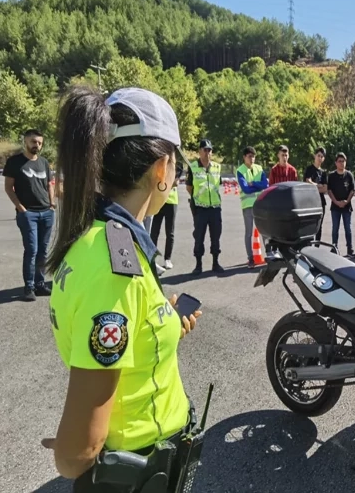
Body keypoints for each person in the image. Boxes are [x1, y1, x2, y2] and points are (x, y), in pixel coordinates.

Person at [41, 86, 202, 489]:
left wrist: (162, 316)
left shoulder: (95, 238)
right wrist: (71, 445)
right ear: (161, 170)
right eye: (175, 167)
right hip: (139, 472)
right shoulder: (117, 266)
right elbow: (77, 455)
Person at [3, 129, 56, 301]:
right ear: (25, 141)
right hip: (28, 214)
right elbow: (8, 188)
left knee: (43, 251)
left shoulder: (44, 162)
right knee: (32, 250)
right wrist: (21, 208)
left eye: (39, 143)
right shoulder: (15, 162)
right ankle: (29, 287)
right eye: (34, 142)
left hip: (46, 212)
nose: (37, 145)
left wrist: (52, 204)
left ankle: (40, 285)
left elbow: (49, 184)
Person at [187, 139, 223, 275]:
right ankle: (198, 264)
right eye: (205, 150)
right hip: (200, 208)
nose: (207, 153)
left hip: (215, 207)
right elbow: (189, 187)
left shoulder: (217, 167)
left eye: (209, 150)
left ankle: (216, 262)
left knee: (216, 236)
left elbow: (217, 185)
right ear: (199, 151)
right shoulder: (193, 167)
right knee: (199, 236)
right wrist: (198, 198)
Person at [237, 146, 269, 268]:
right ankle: (250, 258)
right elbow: (245, 189)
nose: (252, 159)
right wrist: (257, 186)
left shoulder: (259, 169)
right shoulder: (240, 170)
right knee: (249, 232)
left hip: (260, 204)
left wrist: (253, 184)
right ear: (244, 157)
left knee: (264, 231)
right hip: (248, 205)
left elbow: (265, 184)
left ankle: (269, 254)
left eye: (254, 156)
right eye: (250, 156)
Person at [150, 160, 184, 273]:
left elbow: (176, 182)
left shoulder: (177, 165)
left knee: (170, 232)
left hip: (171, 201)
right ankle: (152, 257)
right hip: (159, 200)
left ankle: (167, 258)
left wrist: (169, 181)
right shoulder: (160, 162)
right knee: (154, 231)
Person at [327, 152, 355, 258]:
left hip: (346, 207)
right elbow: (329, 190)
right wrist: (336, 202)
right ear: (336, 163)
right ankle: (334, 247)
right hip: (335, 207)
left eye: (343, 161)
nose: (341, 163)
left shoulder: (349, 175)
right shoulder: (331, 176)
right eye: (339, 161)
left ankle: (350, 249)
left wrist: (346, 201)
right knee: (335, 228)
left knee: (348, 229)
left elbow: (352, 190)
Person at [303, 147, 329, 244]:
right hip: (309, 202)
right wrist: (318, 185)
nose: (320, 158)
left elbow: (325, 189)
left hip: (320, 202)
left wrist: (314, 185)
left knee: (319, 225)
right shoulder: (309, 169)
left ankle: (317, 245)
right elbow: (307, 182)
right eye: (318, 155)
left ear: (323, 159)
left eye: (322, 156)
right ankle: (308, 244)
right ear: (315, 156)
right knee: (309, 224)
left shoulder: (324, 173)